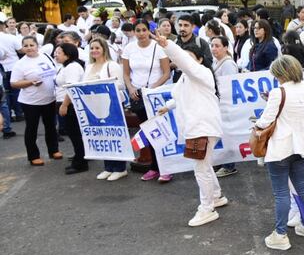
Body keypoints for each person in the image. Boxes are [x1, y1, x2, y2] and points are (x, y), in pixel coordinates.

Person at [154, 35, 229, 228]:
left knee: (200, 168)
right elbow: (178, 97)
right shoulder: (185, 79)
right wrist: (167, 107)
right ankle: (216, 196)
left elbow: (185, 62)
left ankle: (207, 208)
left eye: (188, 57)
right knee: (205, 164)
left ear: (200, 59)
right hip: (196, 127)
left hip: (202, 127)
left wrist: (168, 45)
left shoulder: (201, 72)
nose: (183, 61)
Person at [254, 55, 304, 250]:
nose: (275, 78)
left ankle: (280, 235)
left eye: (276, 74)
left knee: (281, 192)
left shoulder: (278, 92)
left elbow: (264, 121)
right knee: (301, 187)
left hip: (281, 148)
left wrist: (256, 125)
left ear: (281, 73)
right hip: (301, 145)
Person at [122, 21, 172, 182]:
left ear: (149, 31)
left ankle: (166, 168)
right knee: (149, 133)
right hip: (137, 97)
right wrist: (130, 88)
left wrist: (152, 88)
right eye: (138, 30)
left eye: (144, 30)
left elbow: (166, 73)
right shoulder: (129, 48)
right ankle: (155, 167)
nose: (141, 33)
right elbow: (126, 73)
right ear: (134, 32)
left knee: (161, 131)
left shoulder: (158, 48)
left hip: (155, 96)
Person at [10, 36, 62, 166]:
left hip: (50, 99)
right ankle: (33, 156)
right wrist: (30, 82)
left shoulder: (46, 56)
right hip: (30, 102)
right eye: (26, 46)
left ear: (37, 45)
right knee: (31, 129)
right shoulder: (20, 64)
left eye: (31, 45)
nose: (29, 48)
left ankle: (54, 150)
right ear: (22, 48)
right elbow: (14, 83)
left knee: (50, 126)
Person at [84, 38, 128, 181]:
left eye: (97, 48)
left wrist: (101, 83)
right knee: (103, 136)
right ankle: (108, 166)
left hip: (112, 105)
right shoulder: (89, 66)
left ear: (104, 49)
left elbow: (120, 85)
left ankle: (120, 168)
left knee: (116, 135)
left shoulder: (112, 65)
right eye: (92, 48)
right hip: (95, 106)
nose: (94, 51)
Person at [54, 43, 87, 174]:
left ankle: (80, 163)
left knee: (75, 134)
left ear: (67, 54)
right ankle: (79, 157)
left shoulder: (72, 67)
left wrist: (65, 105)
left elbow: (71, 88)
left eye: (58, 52)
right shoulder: (65, 66)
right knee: (73, 133)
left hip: (70, 104)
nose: (55, 55)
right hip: (64, 103)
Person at [210, 36, 240, 178]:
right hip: (218, 104)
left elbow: (229, 86)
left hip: (225, 105)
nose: (214, 48)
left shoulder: (228, 64)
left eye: (217, 46)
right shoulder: (217, 62)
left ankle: (229, 165)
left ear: (226, 47)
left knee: (227, 135)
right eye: (212, 45)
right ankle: (223, 162)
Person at [0, 20, 21, 136]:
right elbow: (19, 50)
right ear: (3, 26)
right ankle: (18, 114)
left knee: (5, 95)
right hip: (13, 66)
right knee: (15, 92)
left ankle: (10, 117)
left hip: (4, 70)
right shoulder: (10, 38)